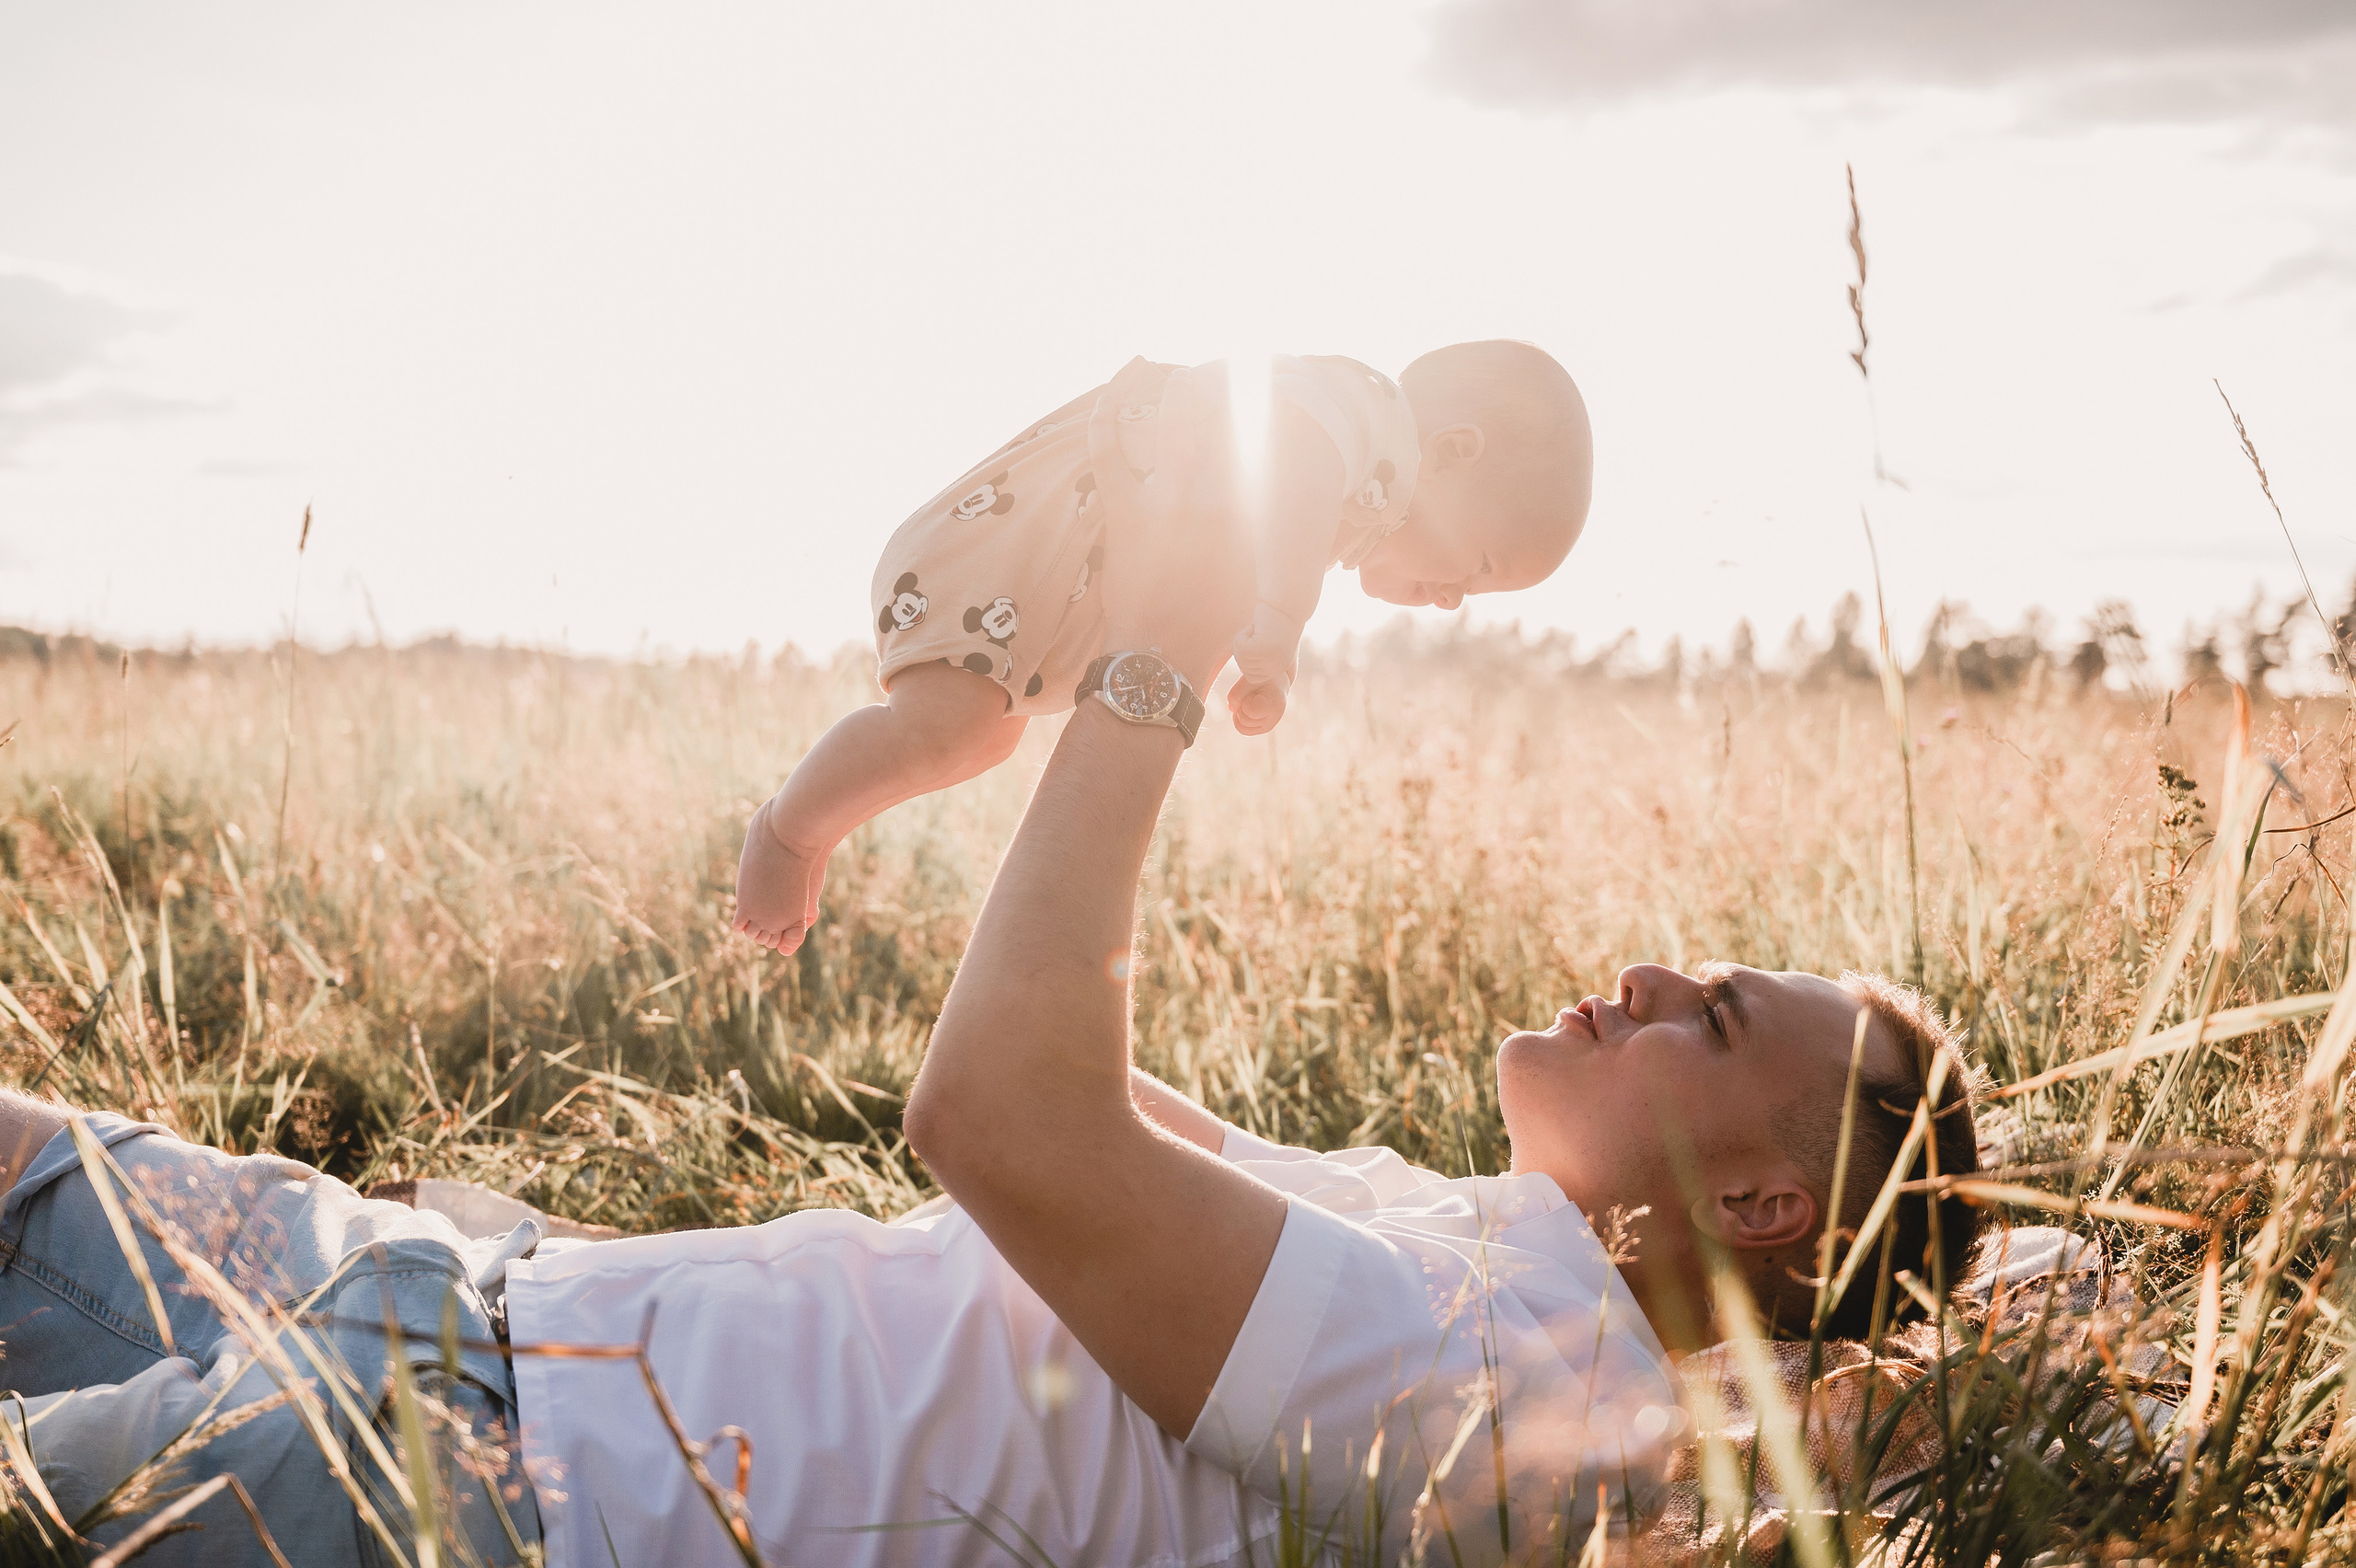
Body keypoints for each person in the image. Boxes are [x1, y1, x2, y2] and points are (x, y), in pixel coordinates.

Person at [0, 400, 1981, 1565]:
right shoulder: (1458, 1244)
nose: (1644, 971)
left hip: (441, 1489)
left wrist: (1159, 667)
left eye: (1710, 1015)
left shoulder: (1498, 1404)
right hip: (435, 1297)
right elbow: (1084, 1097)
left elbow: (1000, 1121)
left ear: (1756, 1210)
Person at [733, 341, 1595, 955]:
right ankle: (787, 836)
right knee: (941, 732)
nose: (1450, 601)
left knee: (984, 737)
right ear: (1451, 453)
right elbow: (1286, 462)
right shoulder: (1362, 411)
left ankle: (810, 833)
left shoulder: (1358, 474)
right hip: (1014, 546)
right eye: (1476, 570)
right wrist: (1280, 628)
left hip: (1046, 590)